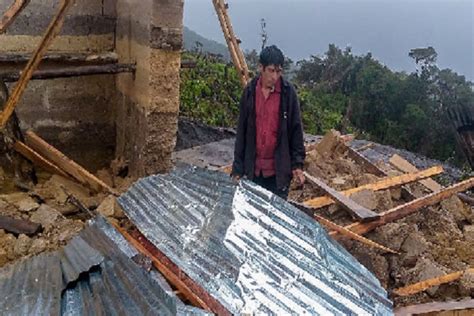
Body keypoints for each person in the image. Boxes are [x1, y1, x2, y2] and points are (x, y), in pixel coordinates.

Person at [231, 45, 305, 199]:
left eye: (278, 71)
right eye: (271, 71)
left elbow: (296, 129)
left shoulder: (287, 94)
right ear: (261, 68)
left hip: (278, 172)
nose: (275, 77)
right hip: (254, 170)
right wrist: (238, 168)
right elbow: (242, 131)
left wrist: (297, 164)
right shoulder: (250, 92)